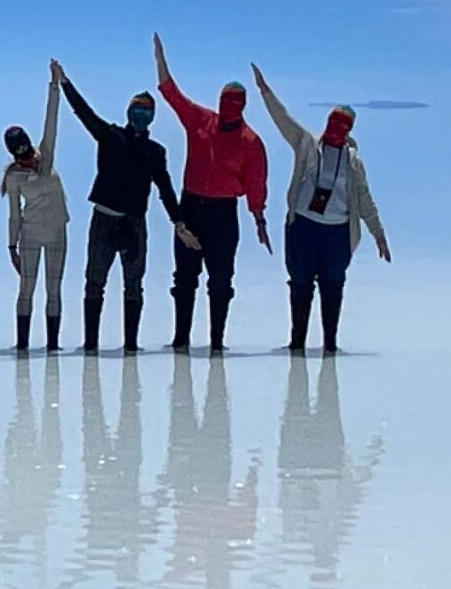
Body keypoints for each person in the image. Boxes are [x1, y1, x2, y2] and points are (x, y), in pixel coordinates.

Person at [55, 60, 193, 356]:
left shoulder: (156, 152)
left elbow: (166, 189)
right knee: (94, 282)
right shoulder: (110, 136)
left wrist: (179, 223)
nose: (140, 114)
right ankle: (90, 345)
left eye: (146, 111)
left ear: (152, 117)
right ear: (128, 112)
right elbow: (84, 113)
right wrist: (65, 83)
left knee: (134, 285)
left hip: (133, 225)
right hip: (103, 220)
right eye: (136, 109)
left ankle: (131, 345)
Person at [253, 63, 389, 355]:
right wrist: (265, 91)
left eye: (343, 125)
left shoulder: (353, 162)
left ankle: (330, 347)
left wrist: (378, 234)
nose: (336, 129)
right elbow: (284, 121)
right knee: (300, 286)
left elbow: (364, 199)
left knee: (333, 288)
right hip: (302, 227)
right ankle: (297, 345)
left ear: (349, 130)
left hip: (337, 234)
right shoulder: (307, 143)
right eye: (333, 122)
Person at [153, 34, 270, 354]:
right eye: (224, 100)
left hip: (223, 214)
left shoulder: (251, 141)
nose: (227, 106)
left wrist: (259, 218)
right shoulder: (201, 120)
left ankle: (217, 343)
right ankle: (181, 340)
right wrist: (160, 60)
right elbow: (173, 95)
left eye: (234, 102)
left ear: (242, 106)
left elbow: (256, 184)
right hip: (191, 206)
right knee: (184, 279)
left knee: (220, 281)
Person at [0, 71, 69, 354]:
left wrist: (55, 86)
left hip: (57, 233)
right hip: (30, 235)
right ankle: (23, 345)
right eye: (20, 155)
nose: (27, 158)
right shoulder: (14, 177)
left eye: (27, 152)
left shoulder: (46, 157)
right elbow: (14, 215)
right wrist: (11, 246)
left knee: (54, 290)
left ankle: (53, 346)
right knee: (26, 289)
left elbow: (51, 122)